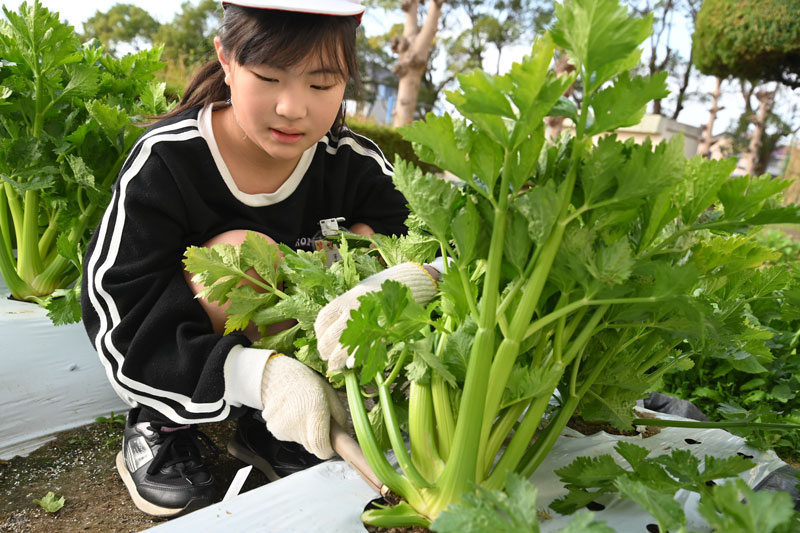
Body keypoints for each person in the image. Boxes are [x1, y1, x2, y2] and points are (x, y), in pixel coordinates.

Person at [80, 0, 441, 518]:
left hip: (306, 347)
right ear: (225, 60)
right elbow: (120, 307)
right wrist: (259, 376)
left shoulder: (352, 162)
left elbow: (433, 239)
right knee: (244, 259)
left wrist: (411, 275)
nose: (294, 107)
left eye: (321, 85)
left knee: (375, 241)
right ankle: (161, 422)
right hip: (189, 353)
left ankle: (270, 426)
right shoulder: (169, 160)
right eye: (269, 77)